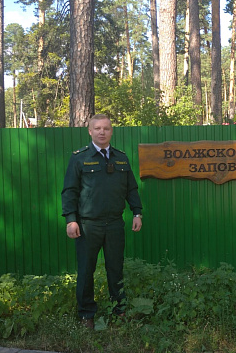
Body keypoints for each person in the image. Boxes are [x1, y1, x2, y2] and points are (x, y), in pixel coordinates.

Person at [61, 114, 143, 329]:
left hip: (115, 224)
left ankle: (120, 309)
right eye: (97, 128)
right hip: (88, 226)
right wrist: (71, 220)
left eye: (106, 128)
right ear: (90, 131)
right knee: (86, 270)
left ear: (111, 131)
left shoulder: (121, 158)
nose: (102, 132)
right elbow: (70, 191)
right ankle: (86, 314)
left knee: (116, 269)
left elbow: (131, 189)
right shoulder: (79, 158)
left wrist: (137, 213)